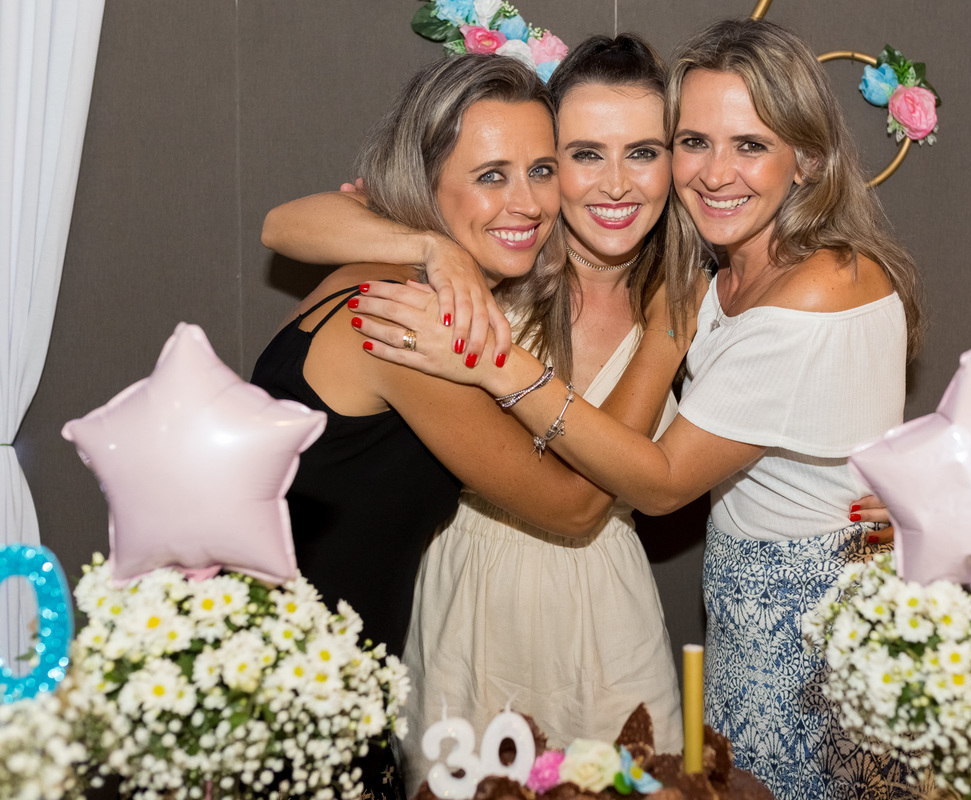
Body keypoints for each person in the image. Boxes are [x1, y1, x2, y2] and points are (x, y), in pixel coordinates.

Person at [346, 19, 922, 800]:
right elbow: (295, 223)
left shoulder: (729, 289)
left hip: (790, 620)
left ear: (807, 159)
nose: (715, 171)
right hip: (508, 602)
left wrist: (490, 361)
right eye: (695, 143)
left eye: (749, 145)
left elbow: (656, 483)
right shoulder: (655, 267)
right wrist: (431, 248)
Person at [259, 37, 708, 794]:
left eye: (539, 170)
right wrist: (664, 335)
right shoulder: (417, 310)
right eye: (581, 155)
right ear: (427, 181)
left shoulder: (464, 266)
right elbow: (576, 502)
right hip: (349, 652)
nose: (526, 199)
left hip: (586, 620)